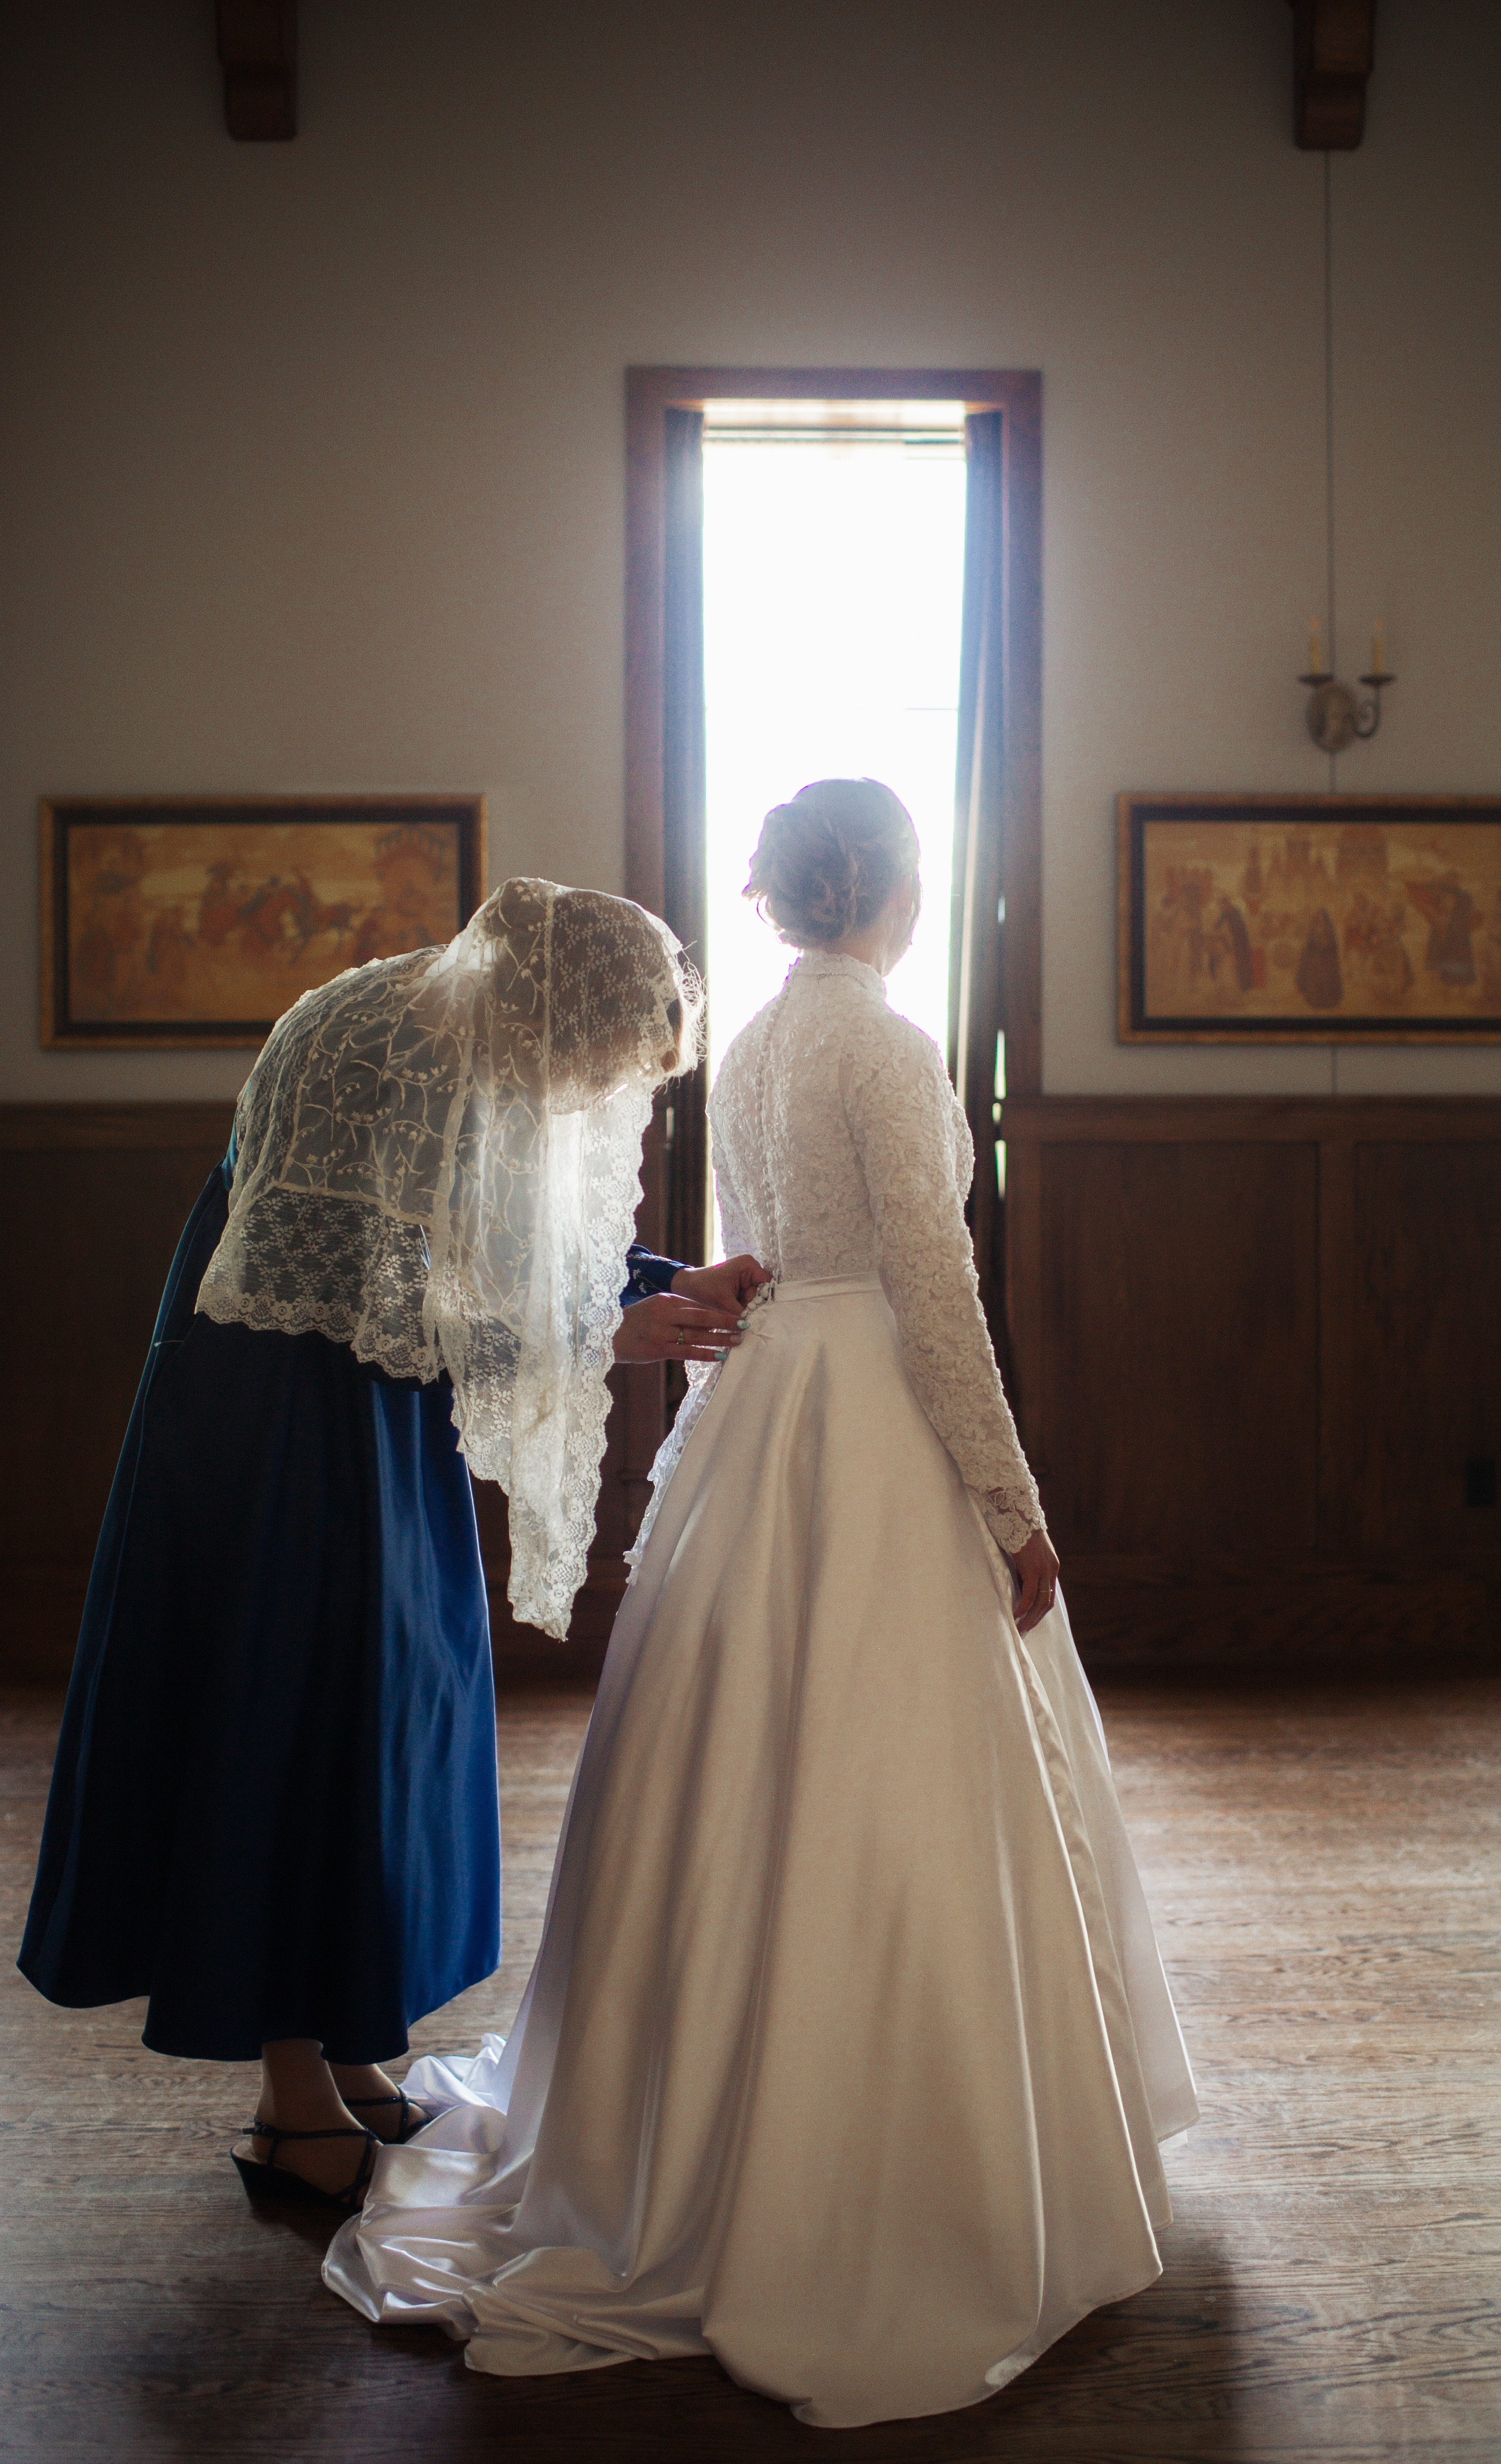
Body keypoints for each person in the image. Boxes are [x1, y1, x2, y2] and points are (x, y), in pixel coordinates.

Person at [325, 783, 1196, 2428]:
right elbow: (934, 1289)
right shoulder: (881, 1042)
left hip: (766, 1404)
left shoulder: (765, 1042)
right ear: (888, 887)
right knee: (887, 1751)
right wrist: (1011, 1502)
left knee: (737, 1747)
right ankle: (876, 2175)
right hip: (865, 1406)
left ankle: (687, 2116)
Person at [19, 879, 766, 2209]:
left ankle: (355, 2041)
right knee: (301, 1727)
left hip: (376, 1414)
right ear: (551, 1008)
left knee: (399, 1719)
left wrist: (653, 1286)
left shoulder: (472, 1027)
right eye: (586, 1066)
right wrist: (602, 1332)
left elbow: (505, 1243)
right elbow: (345, 1287)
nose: (579, 1097)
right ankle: (288, 2097)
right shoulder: (366, 1036)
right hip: (274, 1433)